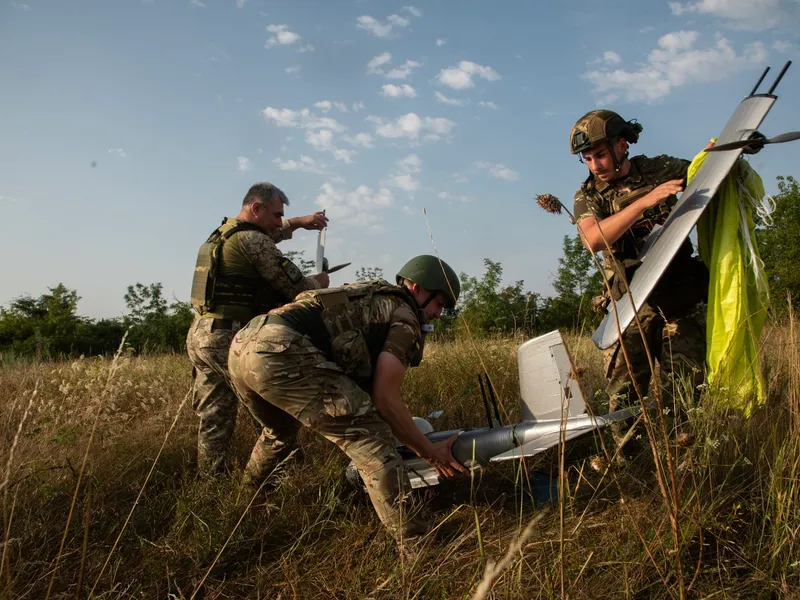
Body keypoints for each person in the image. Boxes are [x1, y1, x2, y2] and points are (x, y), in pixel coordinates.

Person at [227, 255, 468, 541]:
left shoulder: (370, 296)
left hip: (243, 344)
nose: (439, 314)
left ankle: (246, 507)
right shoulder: (405, 317)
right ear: (416, 288)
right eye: (439, 303)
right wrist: (430, 452)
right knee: (372, 439)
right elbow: (385, 398)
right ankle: (416, 544)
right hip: (281, 351)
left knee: (279, 432)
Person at [569, 110, 709, 449]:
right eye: (587, 159)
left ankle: (688, 465)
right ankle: (631, 467)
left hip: (680, 298)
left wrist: (726, 153)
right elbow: (593, 239)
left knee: (687, 388)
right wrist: (647, 201)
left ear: (621, 146)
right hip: (631, 303)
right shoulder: (588, 196)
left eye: (600, 154)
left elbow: (705, 172)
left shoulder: (658, 168)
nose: (595, 164)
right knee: (625, 395)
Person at [186, 182, 330, 475]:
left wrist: (299, 223)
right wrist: (320, 282)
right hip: (228, 336)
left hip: (202, 334)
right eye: (276, 215)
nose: (279, 222)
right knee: (272, 410)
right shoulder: (253, 240)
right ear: (256, 208)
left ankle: (211, 480)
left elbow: (270, 233)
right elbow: (296, 286)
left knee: (214, 413)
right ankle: (288, 476)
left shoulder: (221, 236)